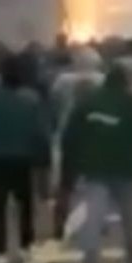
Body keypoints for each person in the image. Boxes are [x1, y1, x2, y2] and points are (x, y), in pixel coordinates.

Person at [62, 64, 132, 263]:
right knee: (130, 220)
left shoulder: (87, 103)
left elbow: (70, 138)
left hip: (94, 170)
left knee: (92, 219)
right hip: (128, 171)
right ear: (126, 83)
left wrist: (69, 173)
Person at [0, 54, 49, 263]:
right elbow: (39, 132)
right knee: (24, 204)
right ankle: (25, 245)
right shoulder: (31, 99)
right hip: (23, 157)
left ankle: (0, 250)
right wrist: (44, 157)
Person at [50, 46, 105, 236]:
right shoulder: (102, 81)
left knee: (65, 186)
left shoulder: (63, 80)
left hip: (68, 134)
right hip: (97, 136)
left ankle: (59, 222)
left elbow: (54, 104)